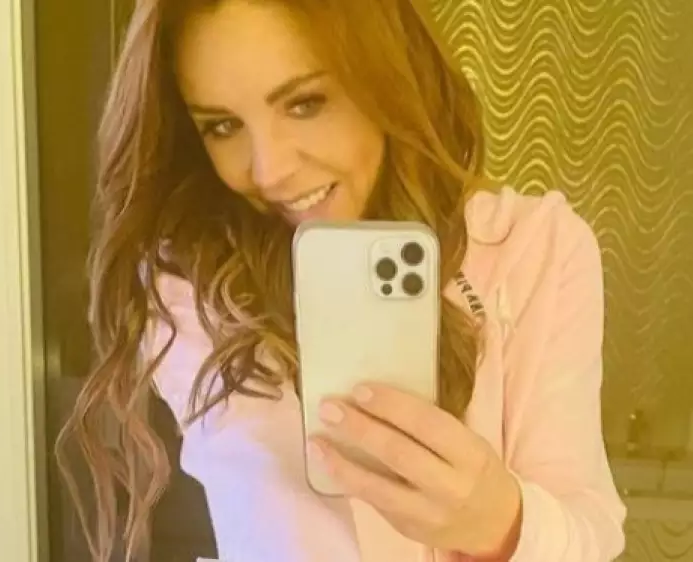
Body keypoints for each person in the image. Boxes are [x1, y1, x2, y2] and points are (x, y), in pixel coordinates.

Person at [57, 0, 628, 560]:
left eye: (305, 103)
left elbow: (589, 532)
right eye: (223, 126)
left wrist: (501, 523)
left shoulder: (533, 249)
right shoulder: (191, 284)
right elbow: (266, 518)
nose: (269, 171)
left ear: (390, 71)